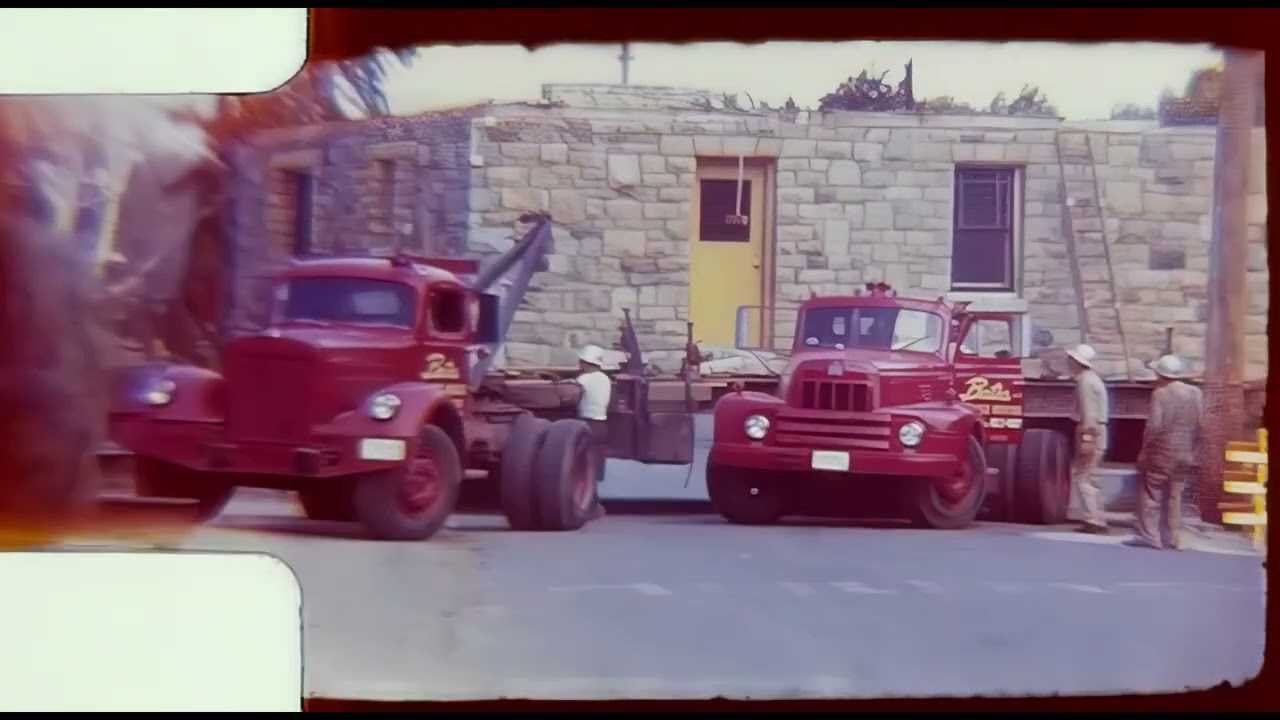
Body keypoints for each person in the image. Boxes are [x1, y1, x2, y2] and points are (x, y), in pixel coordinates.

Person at [1125, 355, 1204, 550]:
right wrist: (1194, 450)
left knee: (1151, 494)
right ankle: (1172, 537)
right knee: (1175, 496)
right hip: (1185, 453)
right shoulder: (1195, 393)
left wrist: (1144, 453)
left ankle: (1150, 536)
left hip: (1161, 453)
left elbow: (1154, 427)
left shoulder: (1160, 394)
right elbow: (1200, 425)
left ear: (1160, 374)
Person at [1066, 344, 1110, 535]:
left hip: (1091, 430)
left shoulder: (1084, 381)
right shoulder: (1093, 379)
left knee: (1082, 477)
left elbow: (1088, 413)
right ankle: (1098, 516)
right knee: (1091, 477)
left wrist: (1086, 438)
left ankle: (1093, 518)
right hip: (1098, 430)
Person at [574, 344, 612, 521]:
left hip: (587, 424)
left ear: (586, 362)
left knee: (583, 465)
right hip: (601, 424)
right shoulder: (605, 379)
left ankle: (590, 504)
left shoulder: (583, 380)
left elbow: (569, 392)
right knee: (594, 465)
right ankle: (594, 504)